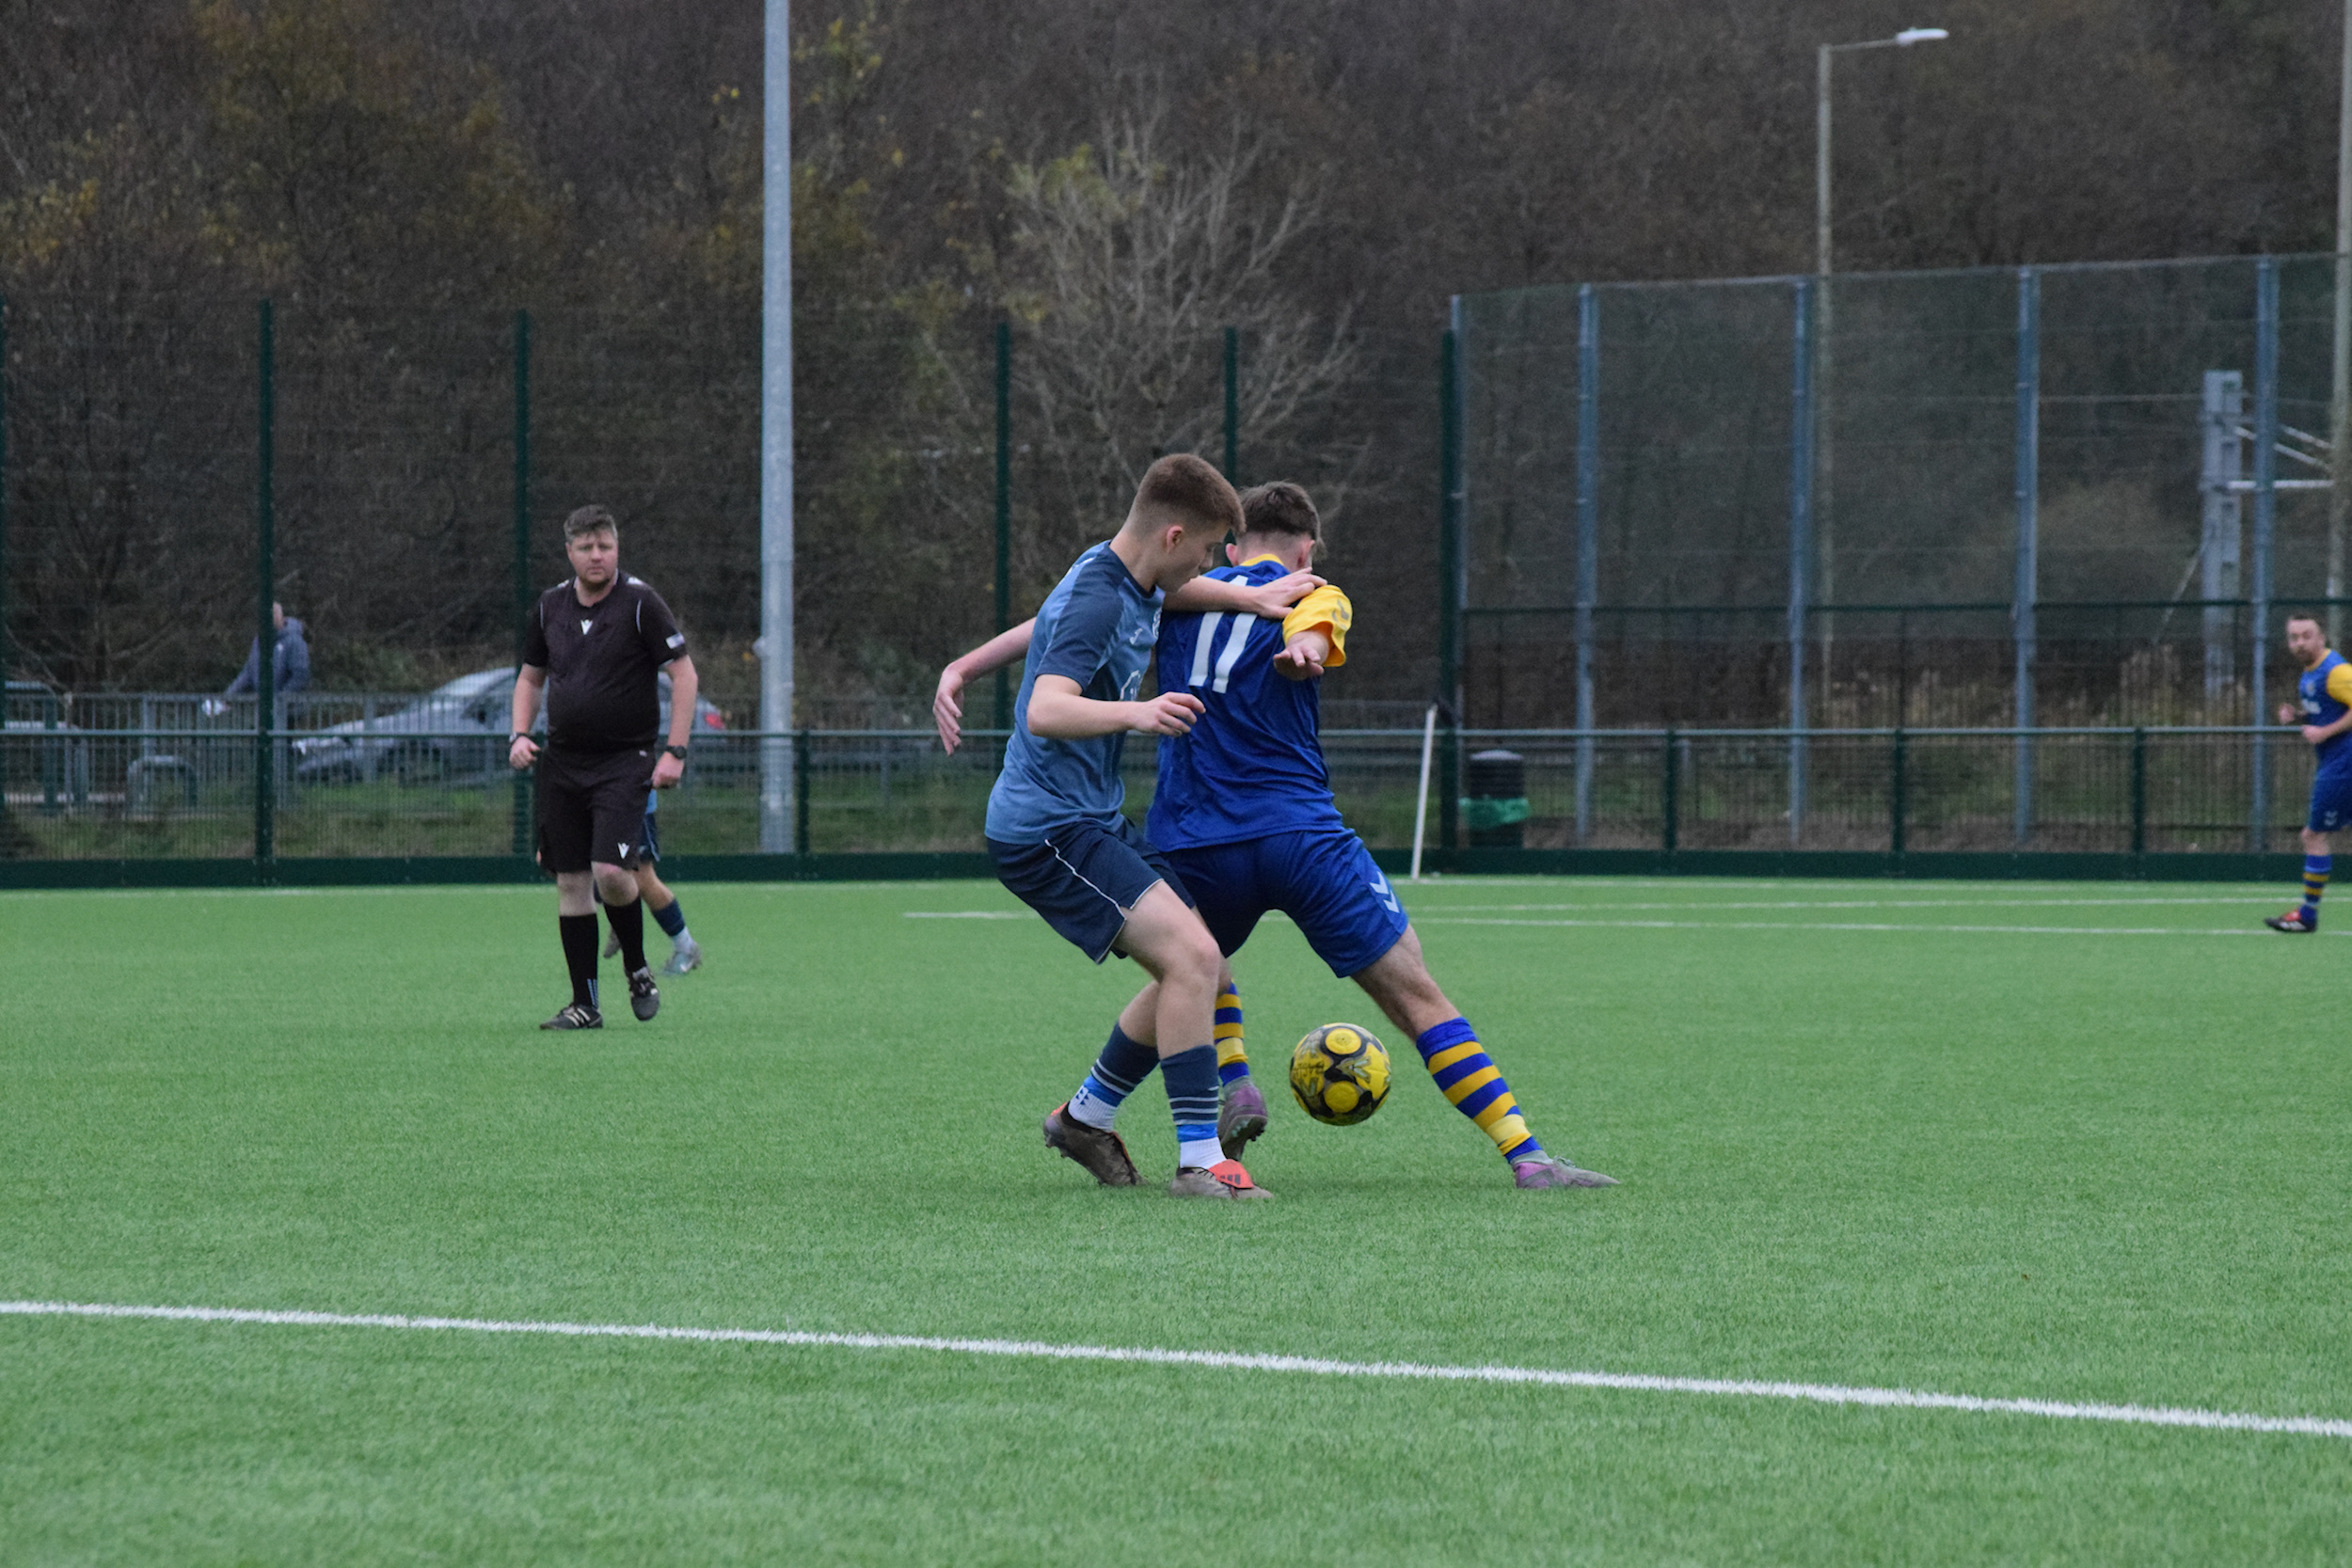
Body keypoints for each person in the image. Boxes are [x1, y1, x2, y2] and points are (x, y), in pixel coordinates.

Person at [939, 482, 1614, 1190]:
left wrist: (964, 664)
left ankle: (1130, 1103)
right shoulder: (1315, 591)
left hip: (1193, 834)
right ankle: (1526, 1154)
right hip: (1296, 834)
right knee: (1411, 988)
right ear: (1306, 549)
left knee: (1190, 969)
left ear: (1231, 548)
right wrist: (1301, 652)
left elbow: (1060, 622)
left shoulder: (1169, 592)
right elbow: (1310, 635)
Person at [966, 452, 1304, 1200]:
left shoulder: (1133, 574)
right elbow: (1045, 708)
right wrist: (1139, 713)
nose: (1217, 562)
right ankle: (1197, 1161)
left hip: (1091, 815)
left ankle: (1084, 1118)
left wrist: (1253, 601)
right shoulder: (1099, 595)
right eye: (1212, 547)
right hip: (1044, 830)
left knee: (1202, 962)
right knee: (1190, 959)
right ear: (1174, 535)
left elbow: (1061, 619)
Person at [508, 505, 699, 1027]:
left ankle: (637, 967)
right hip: (563, 763)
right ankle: (585, 1004)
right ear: (569, 552)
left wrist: (675, 751)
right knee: (571, 882)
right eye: (587, 547)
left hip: (624, 761)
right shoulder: (550, 607)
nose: (598, 555)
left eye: (606, 546)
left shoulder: (641, 603)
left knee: (612, 872)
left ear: (617, 548)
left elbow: (684, 676)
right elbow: (530, 678)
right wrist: (520, 735)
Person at [2265, 613, 2352, 932]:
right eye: (2294, 637)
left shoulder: (2336, 670)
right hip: (2338, 761)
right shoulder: (2311, 675)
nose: (2300, 642)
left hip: (2344, 764)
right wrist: (2301, 717)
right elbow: (2331, 709)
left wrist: (2324, 732)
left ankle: (2307, 916)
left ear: (2321, 638)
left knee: (2312, 835)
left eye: (2306, 635)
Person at [600, 788, 705, 974]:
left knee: (642, 877)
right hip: (596, 802)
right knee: (601, 871)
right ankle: (622, 929)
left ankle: (686, 947)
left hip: (632, 801)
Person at [209, 603, 310, 715]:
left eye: (274, 614)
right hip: (265, 709)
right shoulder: (259, 641)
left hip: (289, 712)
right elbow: (249, 672)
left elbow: (300, 675)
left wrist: (280, 699)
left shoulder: (294, 641)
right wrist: (227, 698)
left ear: (280, 615)